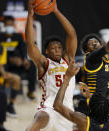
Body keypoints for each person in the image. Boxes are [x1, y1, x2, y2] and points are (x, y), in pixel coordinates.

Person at [25, 0, 77, 130]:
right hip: (49, 108)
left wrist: (56, 11)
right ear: (47, 51)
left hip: (67, 111)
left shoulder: (68, 59)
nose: (57, 50)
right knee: (40, 119)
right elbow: (31, 45)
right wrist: (30, 16)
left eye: (59, 47)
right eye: (53, 48)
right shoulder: (44, 63)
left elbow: (72, 35)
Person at [53, 60, 109, 131]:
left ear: (90, 106)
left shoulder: (84, 121)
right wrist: (89, 96)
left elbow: (57, 105)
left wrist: (66, 79)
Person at [0, 15, 37, 100]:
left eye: (11, 25)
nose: (10, 27)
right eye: (8, 25)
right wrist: (10, 60)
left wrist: (25, 59)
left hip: (18, 63)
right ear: (4, 25)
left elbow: (23, 49)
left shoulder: (18, 36)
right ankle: (4, 93)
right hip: (5, 64)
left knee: (31, 66)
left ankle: (30, 92)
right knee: (0, 66)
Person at [0, 27, 21, 118]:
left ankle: (10, 105)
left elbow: (0, 65)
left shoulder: (1, 48)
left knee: (16, 79)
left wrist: (4, 73)